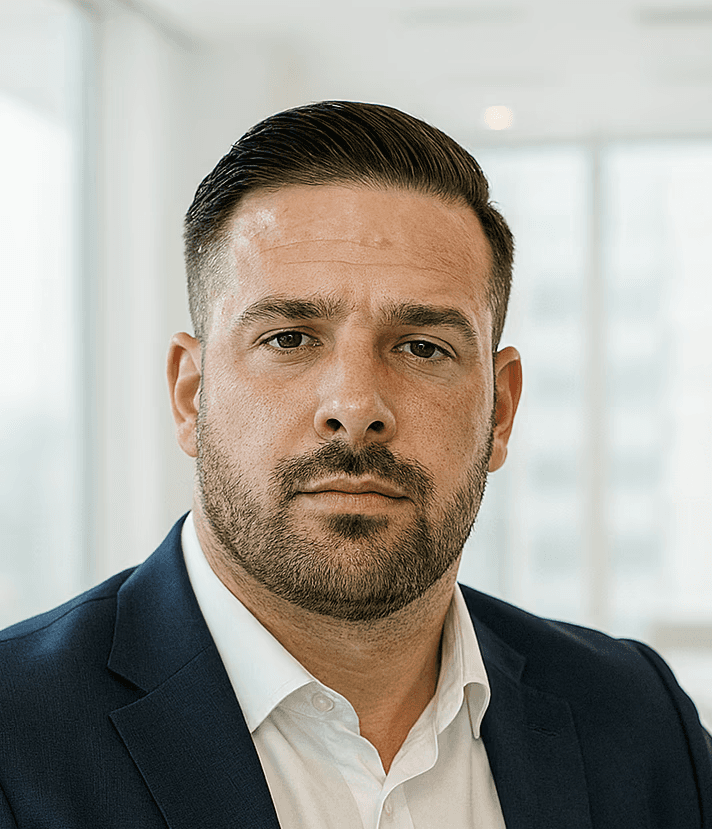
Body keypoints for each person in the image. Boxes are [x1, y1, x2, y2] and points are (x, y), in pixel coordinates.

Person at [0, 101, 710, 829]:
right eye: (289, 338)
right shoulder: (14, 734)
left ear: (499, 410)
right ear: (191, 393)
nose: (355, 405)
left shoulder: (641, 720)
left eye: (422, 347)